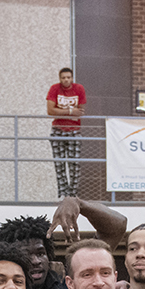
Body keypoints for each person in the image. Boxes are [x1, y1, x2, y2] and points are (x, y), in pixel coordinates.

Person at [46, 65, 86, 199]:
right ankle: (63, 193)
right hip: (58, 129)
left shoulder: (79, 88)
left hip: (74, 130)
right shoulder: (54, 89)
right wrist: (70, 111)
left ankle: (72, 194)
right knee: (59, 164)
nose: (66, 80)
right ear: (60, 79)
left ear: (72, 78)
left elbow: (80, 111)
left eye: (68, 77)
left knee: (75, 164)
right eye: (63, 78)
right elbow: (50, 111)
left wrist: (61, 112)